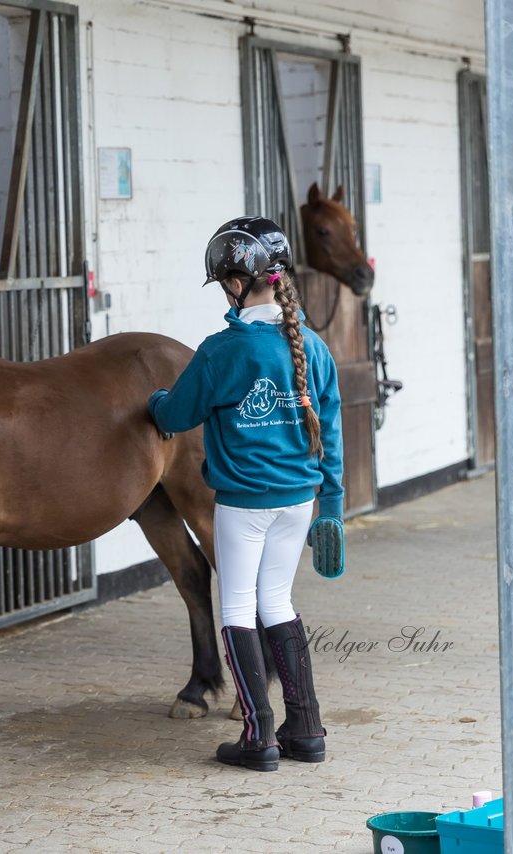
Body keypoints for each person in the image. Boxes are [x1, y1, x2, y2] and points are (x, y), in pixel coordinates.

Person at [148, 216, 343, 771]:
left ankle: (258, 738)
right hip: (299, 501)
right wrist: (330, 508)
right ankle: (306, 729)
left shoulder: (221, 351)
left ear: (240, 281)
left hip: (243, 504)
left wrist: (156, 401)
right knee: (277, 603)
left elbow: (178, 413)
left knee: (236, 607)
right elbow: (330, 434)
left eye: (227, 281)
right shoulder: (313, 347)